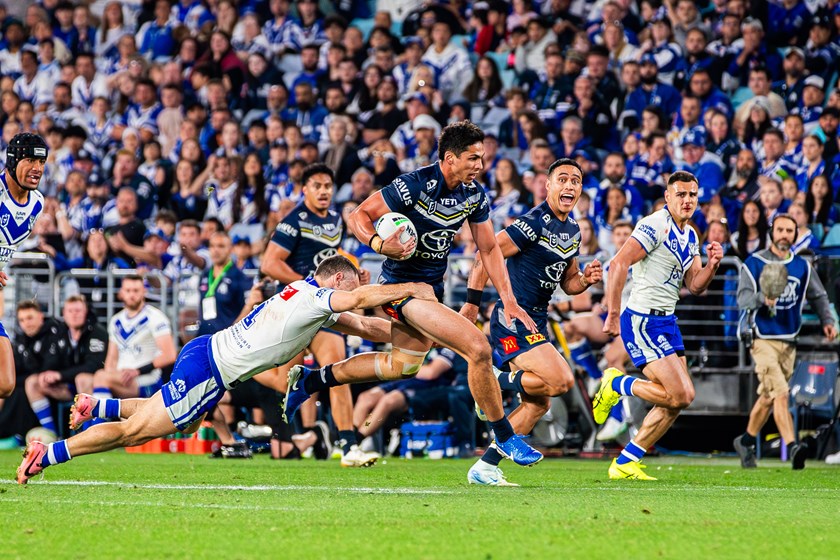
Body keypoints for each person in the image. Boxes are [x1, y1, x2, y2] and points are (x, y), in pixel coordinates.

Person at [17, 256, 434, 484]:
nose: (356, 289)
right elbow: (359, 301)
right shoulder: (316, 298)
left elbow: (365, 325)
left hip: (208, 356)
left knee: (182, 419)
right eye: (353, 282)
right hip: (211, 369)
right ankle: (48, 454)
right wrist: (412, 289)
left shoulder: (307, 296)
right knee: (137, 433)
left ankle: (98, 406)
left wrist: (423, 330)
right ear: (337, 279)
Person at [283, 121, 544, 470]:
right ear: (450, 158)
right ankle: (505, 435)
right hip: (401, 290)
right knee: (478, 348)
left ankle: (312, 379)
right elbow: (359, 214)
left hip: (429, 292)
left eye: (482, 158)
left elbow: (489, 249)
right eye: (473, 158)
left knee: (401, 366)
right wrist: (379, 243)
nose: (481, 165)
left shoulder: (474, 195)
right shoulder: (415, 184)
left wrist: (506, 299)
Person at [459, 158, 602, 486]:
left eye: (575, 180)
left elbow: (568, 283)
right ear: (548, 186)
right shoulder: (533, 222)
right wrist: (471, 304)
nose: (569, 185)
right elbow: (485, 254)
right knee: (561, 381)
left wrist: (585, 279)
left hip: (536, 319)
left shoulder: (573, 230)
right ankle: (493, 382)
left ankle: (485, 467)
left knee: (539, 402)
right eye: (562, 179)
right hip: (514, 317)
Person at [594, 171, 724, 480]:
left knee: (678, 400)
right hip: (643, 319)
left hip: (667, 321)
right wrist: (613, 313)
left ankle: (626, 461)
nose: (687, 200)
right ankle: (617, 384)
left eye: (692, 195)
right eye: (681, 194)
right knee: (680, 394)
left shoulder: (690, 235)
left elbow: (695, 285)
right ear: (667, 197)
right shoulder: (655, 224)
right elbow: (619, 263)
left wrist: (712, 265)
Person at [261, 163, 376, 467]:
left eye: (327, 186)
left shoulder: (336, 219)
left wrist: (353, 274)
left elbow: (329, 261)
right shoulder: (294, 220)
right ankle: (305, 425)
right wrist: (308, 285)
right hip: (294, 309)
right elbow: (270, 264)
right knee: (282, 381)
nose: (323, 191)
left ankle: (348, 445)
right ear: (305, 190)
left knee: (339, 372)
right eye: (317, 186)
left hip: (322, 309)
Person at [733, 214, 837, 470]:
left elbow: (818, 296)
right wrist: (762, 298)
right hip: (761, 338)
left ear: (795, 235)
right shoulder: (754, 263)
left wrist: (827, 320)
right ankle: (793, 447)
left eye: (789, 231)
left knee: (768, 397)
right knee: (781, 393)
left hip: (789, 339)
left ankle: (745, 442)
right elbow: (743, 299)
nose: (784, 235)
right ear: (772, 232)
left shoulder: (802, 266)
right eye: (780, 230)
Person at [0, 133, 48, 397]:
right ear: (12, 160)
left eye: (41, 162)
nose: (37, 168)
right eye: (30, 160)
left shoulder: (37, 203)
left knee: (5, 383)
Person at [87, 276, 177, 410]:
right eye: (128, 290)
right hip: (121, 378)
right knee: (85, 381)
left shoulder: (155, 317)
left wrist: (137, 371)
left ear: (144, 291)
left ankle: (100, 420)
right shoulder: (116, 320)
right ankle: (103, 417)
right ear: (121, 293)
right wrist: (113, 375)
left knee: (100, 377)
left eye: (136, 290)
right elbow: (111, 358)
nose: (132, 295)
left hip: (146, 379)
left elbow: (169, 355)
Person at [23, 296, 108, 437]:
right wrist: (47, 374)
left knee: (82, 378)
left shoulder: (97, 332)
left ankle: (90, 434)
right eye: (70, 311)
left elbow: (94, 365)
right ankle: (51, 435)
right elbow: (51, 359)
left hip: (94, 387)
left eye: (78, 310)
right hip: (68, 388)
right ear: (64, 313)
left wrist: (60, 375)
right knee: (33, 382)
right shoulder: (59, 332)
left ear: (86, 312)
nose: (74, 314)